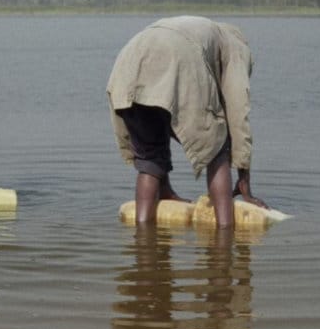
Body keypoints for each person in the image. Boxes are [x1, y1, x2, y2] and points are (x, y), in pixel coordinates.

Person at [106, 16, 266, 228]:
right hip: (176, 57)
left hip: (127, 63)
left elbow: (166, 108)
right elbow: (238, 108)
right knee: (217, 147)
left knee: (150, 158)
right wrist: (244, 179)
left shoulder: (203, 31)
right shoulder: (236, 47)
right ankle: (225, 234)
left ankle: (143, 238)